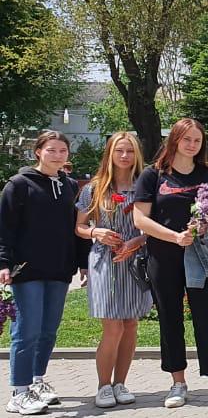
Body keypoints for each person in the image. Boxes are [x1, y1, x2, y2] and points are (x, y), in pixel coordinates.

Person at [131, 118, 208, 409]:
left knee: (207, 318)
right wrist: (175, 237)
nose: (192, 145)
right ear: (174, 139)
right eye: (186, 139)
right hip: (163, 257)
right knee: (170, 318)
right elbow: (140, 219)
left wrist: (206, 227)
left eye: (197, 140)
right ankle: (178, 383)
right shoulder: (153, 175)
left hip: (199, 258)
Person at [0, 131, 85, 415]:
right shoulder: (19, 185)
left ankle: (37, 382)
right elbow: (5, 228)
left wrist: (82, 262)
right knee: (27, 330)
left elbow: (76, 228)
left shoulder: (70, 185)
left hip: (59, 268)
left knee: (48, 330)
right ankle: (19, 392)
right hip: (27, 270)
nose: (57, 155)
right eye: (51, 150)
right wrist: (3, 263)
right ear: (38, 151)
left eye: (62, 150)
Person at [74, 132, 151, 408]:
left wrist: (137, 241)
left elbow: (154, 226)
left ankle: (121, 383)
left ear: (136, 154)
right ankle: (103, 386)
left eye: (130, 151)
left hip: (135, 260)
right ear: (110, 153)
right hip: (104, 261)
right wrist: (96, 232)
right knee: (113, 326)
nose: (125, 156)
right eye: (119, 150)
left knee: (130, 324)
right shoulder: (94, 188)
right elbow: (79, 226)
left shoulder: (145, 186)